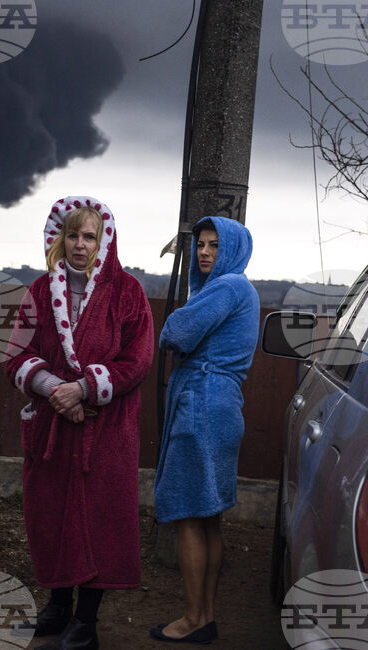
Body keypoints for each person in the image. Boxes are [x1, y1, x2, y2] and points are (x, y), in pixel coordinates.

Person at [6, 196, 154, 649]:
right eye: (72, 234)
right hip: (54, 426)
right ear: (58, 237)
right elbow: (17, 356)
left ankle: (86, 622)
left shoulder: (128, 293)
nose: (80, 244)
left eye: (89, 236)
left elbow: (138, 359)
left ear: (103, 239)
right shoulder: (38, 291)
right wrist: (56, 389)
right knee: (51, 514)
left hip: (106, 430)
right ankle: (56, 608)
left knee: (98, 518)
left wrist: (86, 388)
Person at [150, 216, 260, 644]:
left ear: (232, 248)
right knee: (208, 517)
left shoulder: (229, 286)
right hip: (222, 404)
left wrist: (175, 321)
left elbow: (177, 331)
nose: (204, 252)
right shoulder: (239, 290)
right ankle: (205, 616)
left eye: (215, 244)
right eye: (200, 244)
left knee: (187, 517)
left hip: (202, 402)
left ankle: (194, 618)